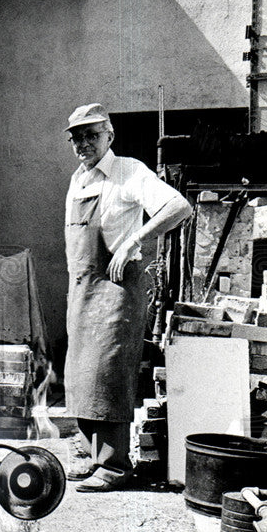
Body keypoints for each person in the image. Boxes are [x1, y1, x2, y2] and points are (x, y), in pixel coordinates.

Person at [63, 104, 192, 492]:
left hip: (117, 288)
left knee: (109, 372)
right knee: (83, 373)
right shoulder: (78, 179)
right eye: (77, 137)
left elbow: (178, 207)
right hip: (83, 288)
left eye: (92, 134)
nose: (84, 143)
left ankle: (115, 466)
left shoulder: (129, 171)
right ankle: (90, 456)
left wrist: (134, 240)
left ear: (110, 136)